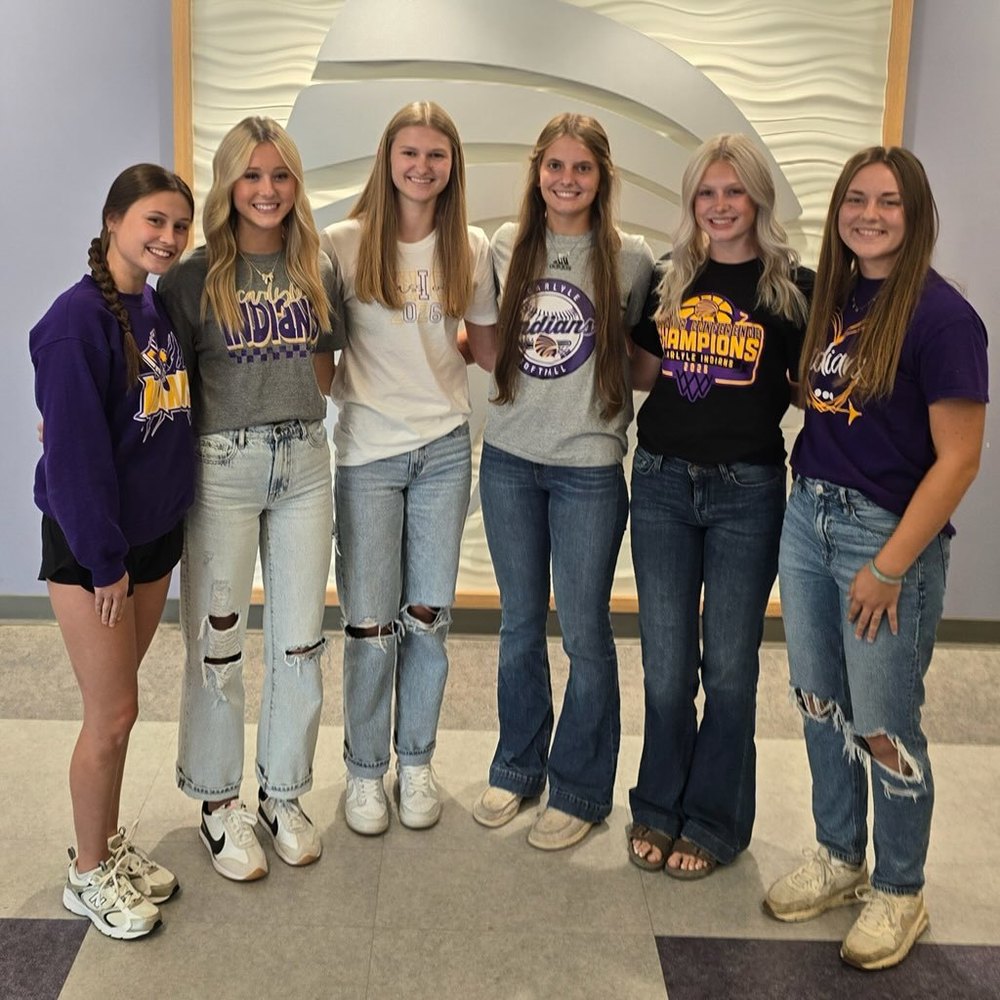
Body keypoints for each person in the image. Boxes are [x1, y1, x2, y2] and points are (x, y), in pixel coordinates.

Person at [762, 147, 988, 970]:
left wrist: (890, 566)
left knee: (886, 725)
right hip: (809, 514)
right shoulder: (837, 296)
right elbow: (824, 399)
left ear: (915, 213)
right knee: (820, 700)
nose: (868, 214)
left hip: (884, 536)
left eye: (887, 202)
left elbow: (959, 460)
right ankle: (838, 853)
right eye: (855, 199)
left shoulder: (943, 317)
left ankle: (900, 888)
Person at [158, 117, 342, 881]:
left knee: (300, 640)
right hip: (221, 467)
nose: (267, 191)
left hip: (303, 460)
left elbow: (324, 369)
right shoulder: (191, 278)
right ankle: (215, 802)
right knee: (219, 645)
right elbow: (165, 381)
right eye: (252, 176)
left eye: (281, 176)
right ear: (230, 184)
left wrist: (288, 418)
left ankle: (284, 795)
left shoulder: (317, 268)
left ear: (295, 186)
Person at [625, 135, 813, 878]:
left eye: (735, 191)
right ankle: (658, 807)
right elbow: (644, 371)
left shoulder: (793, 285)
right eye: (708, 192)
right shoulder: (672, 277)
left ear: (758, 198)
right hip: (664, 482)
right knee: (668, 667)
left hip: (748, 490)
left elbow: (812, 387)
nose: (721, 205)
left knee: (731, 668)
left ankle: (715, 819)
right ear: (692, 201)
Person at [472, 113, 654, 850]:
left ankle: (579, 786)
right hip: (510, 459)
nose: (567, 180)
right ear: (537, 170)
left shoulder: (632, 258)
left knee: (584, 632)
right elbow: (488, 348)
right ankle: (517, 767)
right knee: (518, 626)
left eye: (582, 168)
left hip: (589, 469)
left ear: (601, 176)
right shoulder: (507, 247)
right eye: (556, 167)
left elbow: (642, 359)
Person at [320, 101, 497, 835]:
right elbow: (316, 353)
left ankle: (415, 762)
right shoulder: (342, 241)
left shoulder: (473, 246)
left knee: (426, 618)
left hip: (444, 452)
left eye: (436, 155)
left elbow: (485, 349)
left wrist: (432, 373)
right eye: (410, 153)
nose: (422, 167)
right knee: (368, 624)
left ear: (453, 165)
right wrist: (361, 391)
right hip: (367, 455)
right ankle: (365, 772)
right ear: (387, 159)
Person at [31, 163, 195, 938]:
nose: (166, 237)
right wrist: (104, 561)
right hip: (99, 551)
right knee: (112, 713)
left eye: (177, 226)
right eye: (153, 222)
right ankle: (87, 873)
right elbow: (72, 461)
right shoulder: (73, 323)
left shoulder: (153, 310)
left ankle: (107, 846)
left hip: (152, 538)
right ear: (112, 222)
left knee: (121, 714)